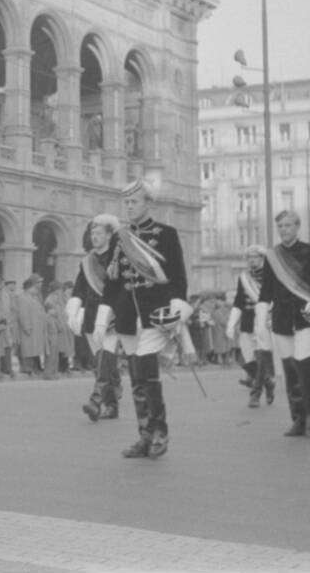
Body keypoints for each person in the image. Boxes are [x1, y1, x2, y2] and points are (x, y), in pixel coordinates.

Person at [109, 179, 189, 459]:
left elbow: (178, 276)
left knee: (146, 369)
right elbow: (115, 281)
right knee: (136, 375)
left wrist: (177, 305)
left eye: (135, 202)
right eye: (126, 203)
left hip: (155, 313)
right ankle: (144, 435)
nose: (129, 207)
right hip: (129, 315)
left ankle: (159, 433)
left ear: (148, 204)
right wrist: (108, 311)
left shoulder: (165, 234)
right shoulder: (121, 237)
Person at [256, 210, 310, 439]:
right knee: (290, 371)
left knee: (304, 368)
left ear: (297, 226)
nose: (284, 230)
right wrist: (261, 323)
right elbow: (265, 292)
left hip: (305, 318)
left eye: (288, 225)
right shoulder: (272, 257)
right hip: (281, 320)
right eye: (280, 226)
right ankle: (297, 418)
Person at [69, 213, 122, 421]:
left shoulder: (118, 257)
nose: (94, 236)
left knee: (104, 359)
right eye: (92, 233)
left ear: (109, 235)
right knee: (102, 362)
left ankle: (95, 401)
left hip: (111, 315)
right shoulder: (87, 261)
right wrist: (74, 308)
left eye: (99, 233)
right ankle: (112, 403)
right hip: (91, 316)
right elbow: (79, 288)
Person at [227, 245, 276, 408]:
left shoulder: (271, 275)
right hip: (247, 321)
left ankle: (255, 394)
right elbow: (239, 301)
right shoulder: (243, 277)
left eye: (255, 257)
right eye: (249, 258)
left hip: (264, 320)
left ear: (262, 258)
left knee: (262, 358)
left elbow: (275, 298)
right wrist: (231, 323)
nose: (251, 260)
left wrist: (272, 315)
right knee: (246, 360)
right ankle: (268, 382)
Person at [16, 276, 47, 375]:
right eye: (35, 288)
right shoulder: (23, 298)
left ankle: (34, 367)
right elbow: (23, 314)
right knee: (27, 349)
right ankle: (26, 367)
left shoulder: (35, 298)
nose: (36, 290)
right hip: (29, 328)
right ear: (29, 288)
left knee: (34, 349)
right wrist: (27, 326)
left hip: (36, 328)